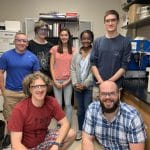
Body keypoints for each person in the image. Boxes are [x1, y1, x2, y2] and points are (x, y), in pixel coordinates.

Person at [8, 72, 76, 150]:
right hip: (26, 147)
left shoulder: (51, 102)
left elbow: (65, 124)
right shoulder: (19, 109)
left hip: (43, 140)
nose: (40, 89)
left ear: (47, 87)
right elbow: (16, 144)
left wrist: (56, 145)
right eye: (35, 86)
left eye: (42, 86)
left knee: (71, 133)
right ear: (30, 89)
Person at [0, 32, 40, 148]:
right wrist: (3, 90)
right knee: (10, 117)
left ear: (27, 43)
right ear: (14, 41)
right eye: (19, 40)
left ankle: (24, 136)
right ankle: (11, 136)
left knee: (27, 117)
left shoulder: (32, 57)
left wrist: (35, 91)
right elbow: (1, 73)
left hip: (26, 93)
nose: (21, 43)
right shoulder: (6, 56)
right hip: (10, 92)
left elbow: (36, 76)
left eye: (24, 41)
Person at [82, 80, 146, 150]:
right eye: (103, 94)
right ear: (99, 95)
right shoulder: (92, 109)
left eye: (112, 93)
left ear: (118, 94)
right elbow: (87, 139)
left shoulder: (132, 117)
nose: (107, 97)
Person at [90, 10, 131, 90]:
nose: (110, 23)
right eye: (107, 21)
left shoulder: (125, 42)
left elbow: (124, 66)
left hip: (115, 87)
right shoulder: (97, 41)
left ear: (118, 21)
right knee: (96, 103)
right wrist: (101, 81)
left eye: (113, 20)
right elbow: (92, 63)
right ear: (104, 23)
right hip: (98, 86)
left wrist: (108, 82)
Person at [71, 30, 94, 140]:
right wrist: (75, 83)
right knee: (80, 111)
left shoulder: (94, 53)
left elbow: (93, 71)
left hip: (88, 88)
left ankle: (88, 131)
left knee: (88, 109)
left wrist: (85, 84)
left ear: (91, 39)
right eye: (83, 38)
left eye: (88, 38)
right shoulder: (76, 54)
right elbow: (73, 69)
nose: (85, 40)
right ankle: (80, 130)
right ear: (81, 39)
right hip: (77, 88)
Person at [50, 28, 76, 123]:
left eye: (66, 35)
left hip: (68, 81)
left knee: (68, 104)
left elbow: (74, 68)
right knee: (59, 104)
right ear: (59, 37)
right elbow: (51, 66)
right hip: (56, 81)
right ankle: (60, 123)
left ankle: (67, 124)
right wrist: (55, 81)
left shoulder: (73, 50)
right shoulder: (54, 49)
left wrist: (68, 81)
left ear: (69, 37)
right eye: (62, 35)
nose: (64, 37)